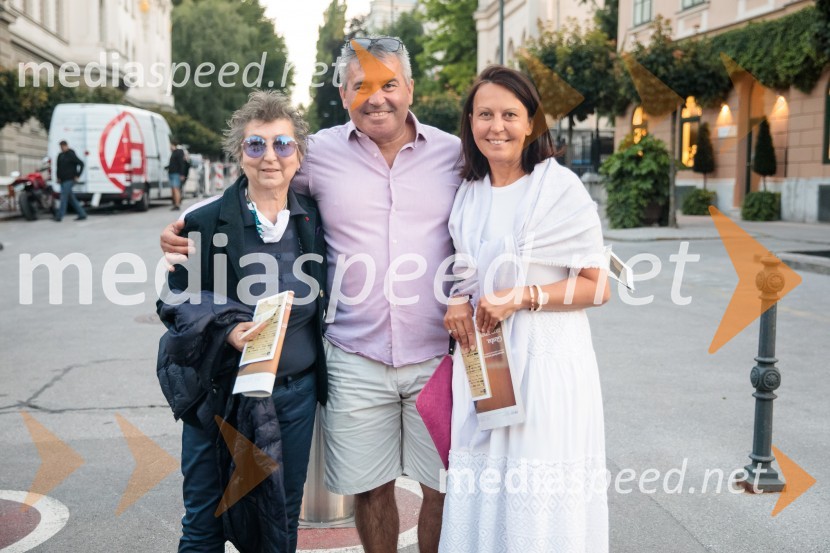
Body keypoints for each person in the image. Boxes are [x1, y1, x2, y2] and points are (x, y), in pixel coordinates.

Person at [162, 36, 462, 553]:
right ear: (343, 92)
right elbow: (261, 178)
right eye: (361, 85)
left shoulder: (454, 155)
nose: (377, 97)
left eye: (389, 83)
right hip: (356, 357)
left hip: (436, 356)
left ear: (411, 88)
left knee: (443, 487)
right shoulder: (319, 153)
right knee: (371, 489)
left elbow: (503, 194)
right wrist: (192, 219)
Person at [440, 65, 610, 552]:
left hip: (546, 363)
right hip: (486, 365)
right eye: (485, 114)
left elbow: (598, 287)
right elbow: (467, 268)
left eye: (510, 114)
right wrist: (456, 298)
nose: (497, 126)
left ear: (532, 122)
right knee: (484, 478)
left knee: (535, 482)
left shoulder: (559, 189)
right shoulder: (469, 193)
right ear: (470, 123)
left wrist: (523, 297)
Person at [156, 90, 328, 553]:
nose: (269, 156)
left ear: (298, 155)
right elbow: (173, 297)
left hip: (293, 395)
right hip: (220, 394)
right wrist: (226, 327)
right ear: (239, 154)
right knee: (205, 524)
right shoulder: (205, 221)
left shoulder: (313, 221)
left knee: (280, 522)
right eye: (256, 145)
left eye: (282, 145)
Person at [54, 140, 87, 221]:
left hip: (70, 179)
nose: (62, 148)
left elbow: (81, 163)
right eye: (61, 147)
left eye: (63, 146)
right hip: (62, 180)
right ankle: (82, 214)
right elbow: (58, 168)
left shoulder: (71, 154)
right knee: (71, 198)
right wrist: (58, 177)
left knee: (63, 197)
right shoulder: (60, 155)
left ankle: (59, 216)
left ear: (66, 146)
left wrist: (77, 175)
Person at [168, 142, 187, 210]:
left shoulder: (179, 152)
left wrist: (182, 174)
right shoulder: (174, 152)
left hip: (176, 174)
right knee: (173, 189)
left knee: (176, 189)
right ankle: (175, 203)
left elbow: (181, 163)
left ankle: (177, 204)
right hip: (172, 173)